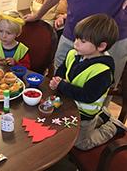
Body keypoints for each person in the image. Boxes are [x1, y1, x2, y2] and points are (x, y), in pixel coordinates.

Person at [24, 0, 127, 102]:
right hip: (72, 31)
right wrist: (38, 15)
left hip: (113, 39)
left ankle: (95, 119)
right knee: (60, 76)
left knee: (102, 89)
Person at [49, 14, 126, 150]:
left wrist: (62, 85)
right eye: (77, 38)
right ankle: (103, 115)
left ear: (101, 46)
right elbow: (63, 69)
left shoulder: (102, 71)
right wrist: (57, 78)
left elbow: (88, 96)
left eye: (82, 41)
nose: (76, 43)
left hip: (85, 114)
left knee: (81, 144)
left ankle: (112, 127)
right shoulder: (74, 53)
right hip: (69, 104)